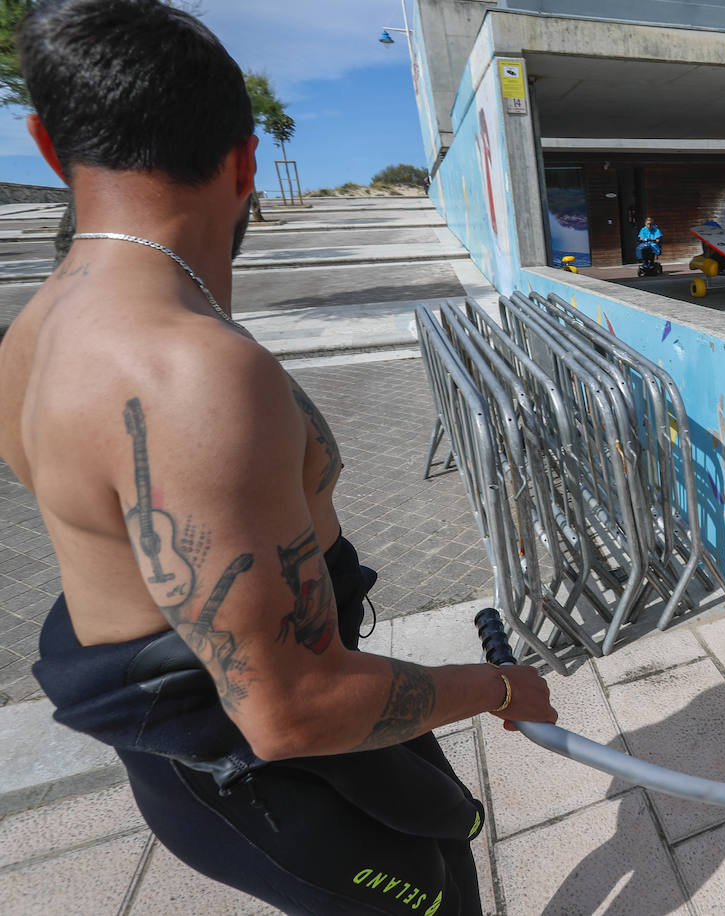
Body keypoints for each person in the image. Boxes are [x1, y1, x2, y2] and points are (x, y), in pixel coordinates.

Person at [1, 3, 557, 913]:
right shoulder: (188, 376)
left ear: (47, 144)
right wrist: (499, 687)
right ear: (247, 161)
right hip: (267, 773)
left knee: (452, 864)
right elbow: (290, 709)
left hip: (233, 746)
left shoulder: (33, 330)